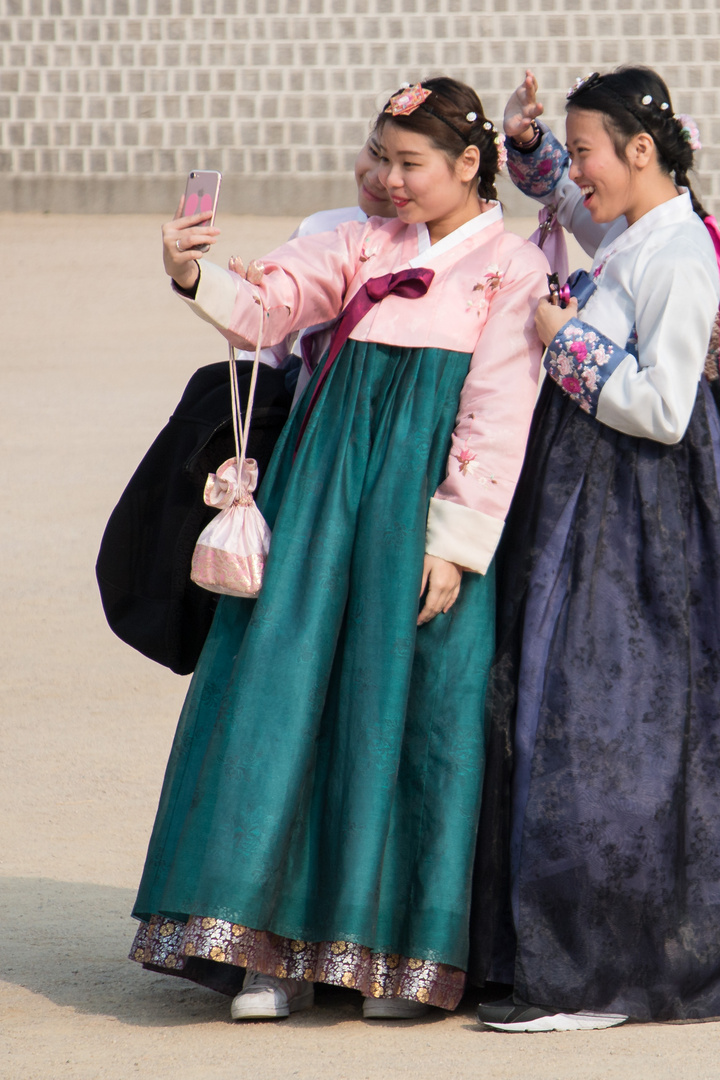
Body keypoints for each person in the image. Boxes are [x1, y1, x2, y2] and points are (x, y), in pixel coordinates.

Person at [129, 76, 549, 1022]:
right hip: (322, 499)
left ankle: (389, 954)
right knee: (284, 696)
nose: (390, 181)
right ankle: (264, 953)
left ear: (471, 166)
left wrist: (456, 544)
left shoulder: (511, 269)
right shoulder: (361, 242)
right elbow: (272, 305)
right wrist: (194, 272)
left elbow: (495, 415)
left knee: (406, 716)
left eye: (411, 165)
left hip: (418, 517)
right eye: (385, 160)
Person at [472, 68, 720, 1032]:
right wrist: (528, 145)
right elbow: (577, 207)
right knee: (570, 713)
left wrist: (567, 343)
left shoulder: (681, 256)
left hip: (639, 525)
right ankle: (577, 951)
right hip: (597, 510)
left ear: (642, 152)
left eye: (585, 152)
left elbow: (664, 409)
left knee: (613, 730)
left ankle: (605, 968)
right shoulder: (644, 228)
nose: (574, 175)